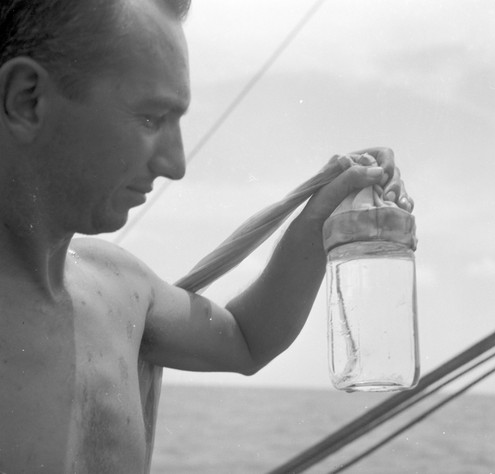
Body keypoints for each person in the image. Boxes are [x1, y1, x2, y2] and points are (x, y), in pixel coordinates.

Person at [0, 0, 413, 472]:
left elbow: (245, 340)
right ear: (26, 99)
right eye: (151, 118)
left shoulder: (118, 286)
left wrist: (319, 219)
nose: (175, 165)